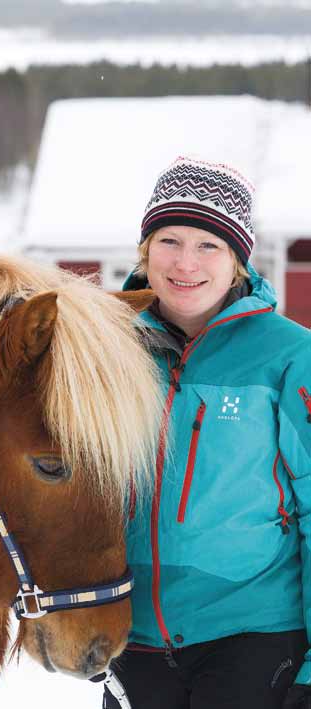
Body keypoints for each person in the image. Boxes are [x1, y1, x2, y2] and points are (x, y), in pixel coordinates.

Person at [100, 156, 311, 708]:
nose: (185, 262)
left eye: (208, 245)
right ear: (146, 251)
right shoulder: (105, 349)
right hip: (133, 637)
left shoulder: (290, 357)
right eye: (169, 240)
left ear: (238, 260)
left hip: (253, 633)